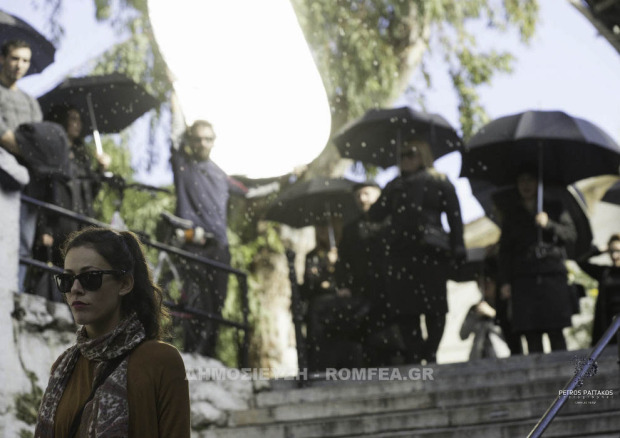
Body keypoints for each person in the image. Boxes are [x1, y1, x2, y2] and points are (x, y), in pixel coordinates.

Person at [34, 227, 190, 437]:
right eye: (67, 280)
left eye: (90, 277)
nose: (75, 289)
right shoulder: (64, 368)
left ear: (124, 284)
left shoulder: (161, 361)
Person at [368, 138, 465, 364]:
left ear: (423, 155)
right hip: (401, 256)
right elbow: (375, 215)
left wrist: (458, 247)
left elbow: (455, 216)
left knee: (435, 309)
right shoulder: (395, 185)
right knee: (405, 311)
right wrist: (390, 192)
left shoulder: (439, 181)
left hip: (431, 254)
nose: (405, 159)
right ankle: (414, 354)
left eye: (410, 153)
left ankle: (430, 352)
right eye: (401, 155)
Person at [170, 119, 246, 357]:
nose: (202, 143)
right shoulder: (183, 164)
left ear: (214, 141)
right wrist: (175, 100)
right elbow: (175, 132)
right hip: (192, 245)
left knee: (216, 304)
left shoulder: (221, 175)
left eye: (208, 139)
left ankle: (208, 357)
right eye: (197, 139)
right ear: (190, 140)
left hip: (219, 247)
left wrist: (289, 176)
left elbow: (250, 191)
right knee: (195, 303)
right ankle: (192, 356)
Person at [497, 167, 577, 354]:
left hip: (551, 276)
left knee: (555, 332)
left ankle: (564, 372)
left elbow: (571, 235)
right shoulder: (512, 214)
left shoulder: (555, 207)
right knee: (531, 335)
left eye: (530, 180)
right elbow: (505, 252)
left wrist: (549, 224)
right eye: (522, 181)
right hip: (524, 279)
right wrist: (505, 281)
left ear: (538, 183)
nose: (526, 185)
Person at [0, 39, 43, 290]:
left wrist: (26, 149)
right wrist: (29, 150)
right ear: (2, 59)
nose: (20, 65)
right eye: (15, 58)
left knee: (24, 243)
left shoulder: (31, 102)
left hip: (28, 183)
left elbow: (41, 141)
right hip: (3, 174)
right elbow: (4, 136)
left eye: (25, 60)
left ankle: (13, 292)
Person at [336, 181, 393, 366]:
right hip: (363, 290)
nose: (362, 199)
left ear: (378, 195)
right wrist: (343, 285)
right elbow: (343, 261)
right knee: (368, 340)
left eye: (366, 193)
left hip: (392, 289)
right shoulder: (351, 229)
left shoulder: (391, 222)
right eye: (358, 195)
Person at [302, 220, 365, 370]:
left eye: (325, 228)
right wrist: (325, 266)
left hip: (344, 306)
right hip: (323, 306)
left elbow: (355, 278)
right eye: (319, 228)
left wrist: (342, 281)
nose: (322, 232)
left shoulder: (345, 252)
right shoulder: (313, 256)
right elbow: (309, 286)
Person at [577, 234, 620, 346]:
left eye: (617, 251)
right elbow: (581, 261)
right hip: (609, 327)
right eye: (611, 251)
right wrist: (599, 250)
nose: (614, 255)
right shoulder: (605, 272)